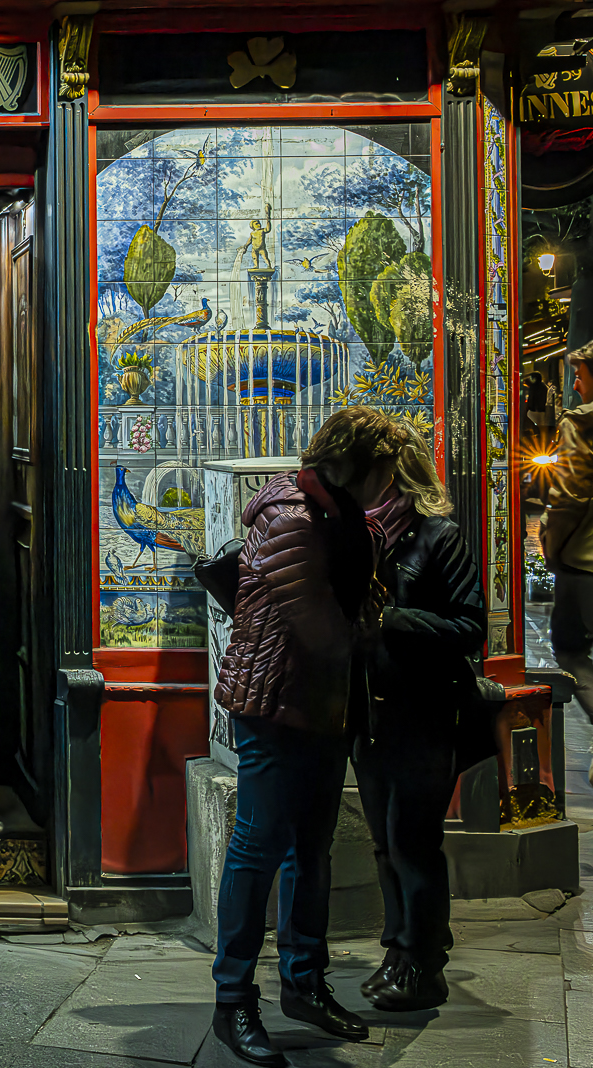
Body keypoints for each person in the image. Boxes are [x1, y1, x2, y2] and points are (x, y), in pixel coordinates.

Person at [211, 405, 415, 1067]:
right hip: (275, 703)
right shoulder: (292, 520)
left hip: (325, 706)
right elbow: (326, 630)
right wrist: (376, 617)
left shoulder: (344, 514)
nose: (392, 482)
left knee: (311, 851)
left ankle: (304, 983)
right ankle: (232, 1000)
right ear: (353, 465)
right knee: (257, 848)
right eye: (385, 469)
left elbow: (362, 599)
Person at [353, 431, 495, 1014]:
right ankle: (401, 950)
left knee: (413, 841)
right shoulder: (358, 535)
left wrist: (395, 620)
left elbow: (471, 626)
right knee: (385, 845)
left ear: (393, 475)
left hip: (427, 714)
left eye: (364, 471)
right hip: (369, 715)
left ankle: (424, 963)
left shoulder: (439, 536)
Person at [543, 342, 593, 725]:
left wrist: (552, 546)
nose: (575, 385)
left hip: (584, 565)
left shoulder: (579, 423)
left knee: (571, 652)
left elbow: (569, 496)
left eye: (579, 376)